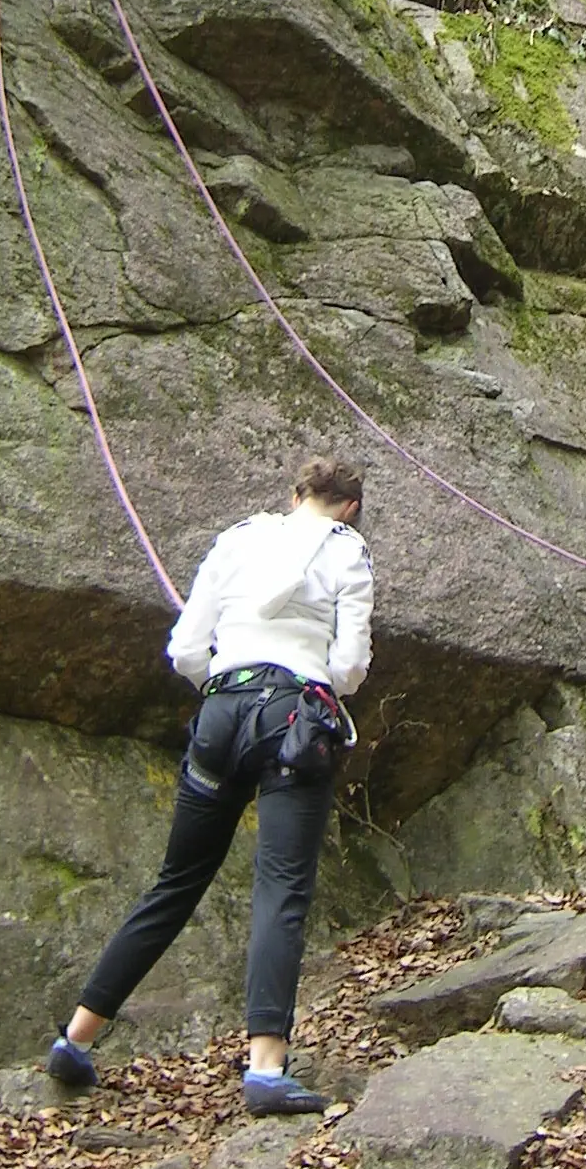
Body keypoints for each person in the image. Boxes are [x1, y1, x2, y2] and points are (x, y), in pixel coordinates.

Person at [46, 456, 373, 1112]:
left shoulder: (236, 539)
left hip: (220, 715)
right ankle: (265, 1069)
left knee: (176, 882)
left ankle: (76, 1039)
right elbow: (350, 666)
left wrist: (232, 680)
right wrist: (303, 681)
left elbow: (187, 651)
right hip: (294, 719)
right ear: (351, 508)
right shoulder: (349, 552)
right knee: (280, 887)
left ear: (294, 495)